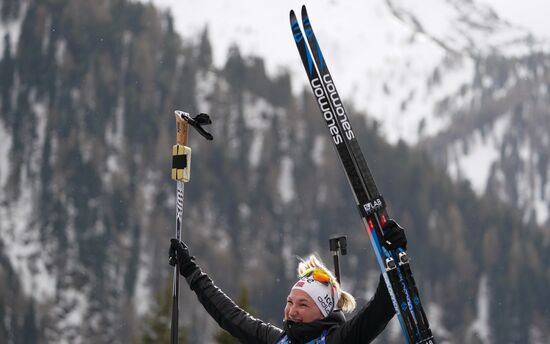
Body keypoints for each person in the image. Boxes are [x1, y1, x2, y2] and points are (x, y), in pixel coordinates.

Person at [169, 219, 408, 343]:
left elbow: (381, 309)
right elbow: (229, 315)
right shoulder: (277, 340)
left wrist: (394, 255)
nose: (291, 311)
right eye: (290, 302)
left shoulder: (339, 340)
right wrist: (191, 271)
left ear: (324, 312)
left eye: (303, 305)